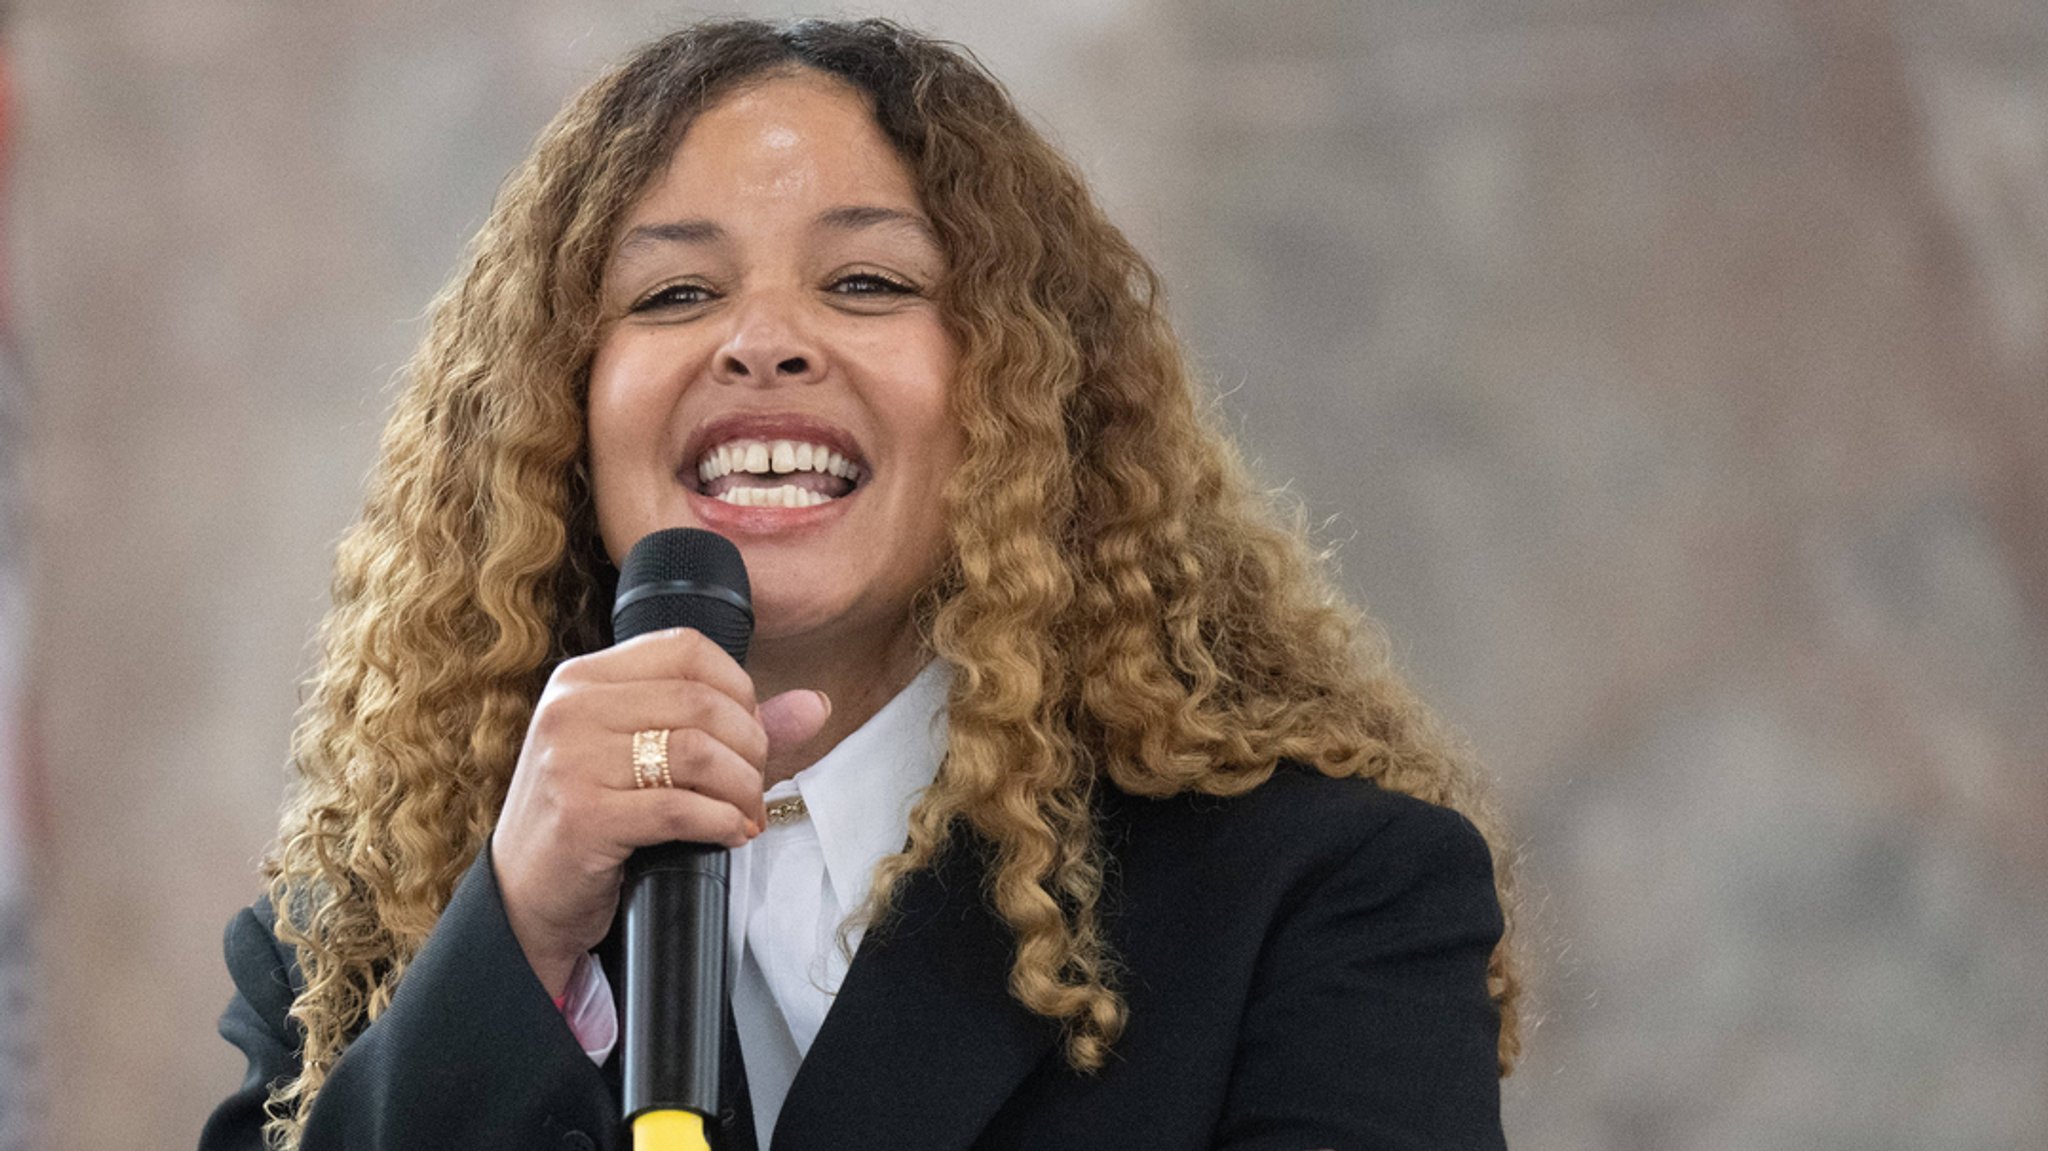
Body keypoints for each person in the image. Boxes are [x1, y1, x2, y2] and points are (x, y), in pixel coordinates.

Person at [202, 18, 1523, 1151]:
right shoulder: (358, 945)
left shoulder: (1315, 895)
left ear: (1019, 390)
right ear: (557, 406)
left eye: (868, 281)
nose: (763, 343)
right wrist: (524, 938)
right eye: (672, 293)